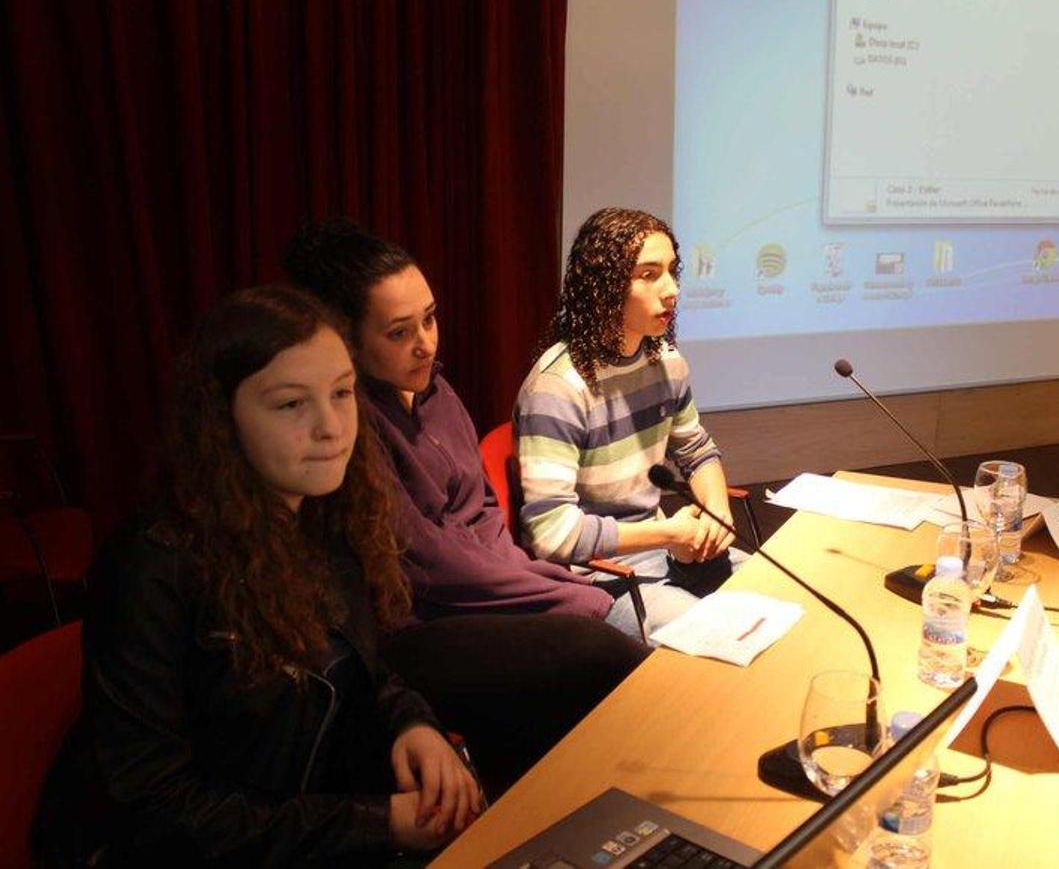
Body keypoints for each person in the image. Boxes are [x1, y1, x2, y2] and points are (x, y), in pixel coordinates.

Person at [82, 288, 645, 867]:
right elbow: (154, 811)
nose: (331, 427)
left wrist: (412, 725)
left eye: (341, 393)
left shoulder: (328, 519)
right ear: (222, 421)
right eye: (290, 404)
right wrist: (380, 824)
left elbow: (364, 673)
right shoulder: (152, 566)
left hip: (323, 831)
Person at [283, 219, 647, 637]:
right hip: (426, 619)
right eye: (399, 333)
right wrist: (560, 597)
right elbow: (426, 562)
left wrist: (542, 583)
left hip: (494, 588)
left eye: (429, 319)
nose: (425, 344)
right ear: (347, 340)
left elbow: (484, 512)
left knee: (618, 623)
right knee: (609, 637)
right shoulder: (354, 425)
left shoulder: (437, 391)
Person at [514, 207, 746, 637]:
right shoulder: (558, 388)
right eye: (649, 275)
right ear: (605, 285)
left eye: (673, 272)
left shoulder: (667, 362)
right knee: (713, 637)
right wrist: (667, 533)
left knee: (775, 599)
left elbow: (697, 452)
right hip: (596, 576)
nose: (672, 290)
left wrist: (717, 512)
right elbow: (552, 535)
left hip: (664, 549)